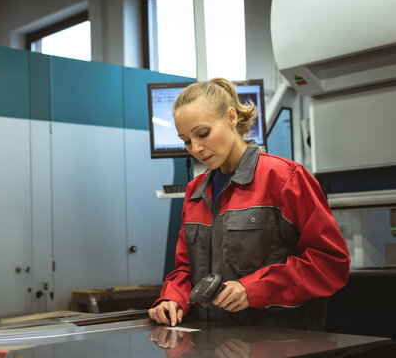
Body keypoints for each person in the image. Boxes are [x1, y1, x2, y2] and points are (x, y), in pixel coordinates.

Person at [148, 78, 350, 331]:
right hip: (210, 341)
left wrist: (254, 289)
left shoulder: (285, 179)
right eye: (187, 141)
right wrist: (172, 298)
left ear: (231, 118)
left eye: (203, 133)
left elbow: (329, 263)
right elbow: (185, 270)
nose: (196, 148)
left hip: (276, 341)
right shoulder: (195, 192)